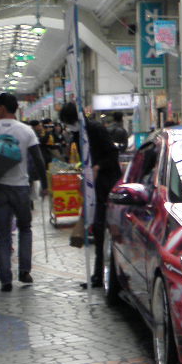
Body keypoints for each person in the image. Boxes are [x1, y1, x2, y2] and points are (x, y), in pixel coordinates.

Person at [0, 92, 47, 292]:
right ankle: (24, 271)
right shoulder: (26, 130)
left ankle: (5, 279)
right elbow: (38, 159)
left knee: (2, 234)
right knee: (25, 228)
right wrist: (45, 184)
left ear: (2, 108)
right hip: (21, 187)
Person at [59, 101, 121, 288]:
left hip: (105, 185)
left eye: (67, 122)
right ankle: (97, 276)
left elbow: (112, 154)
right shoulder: (78, 134)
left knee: (102, 230)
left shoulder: (95, 129)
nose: (67, 126)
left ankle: (102, 276)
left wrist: (97, 167)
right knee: (97, 229)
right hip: (92, 186)